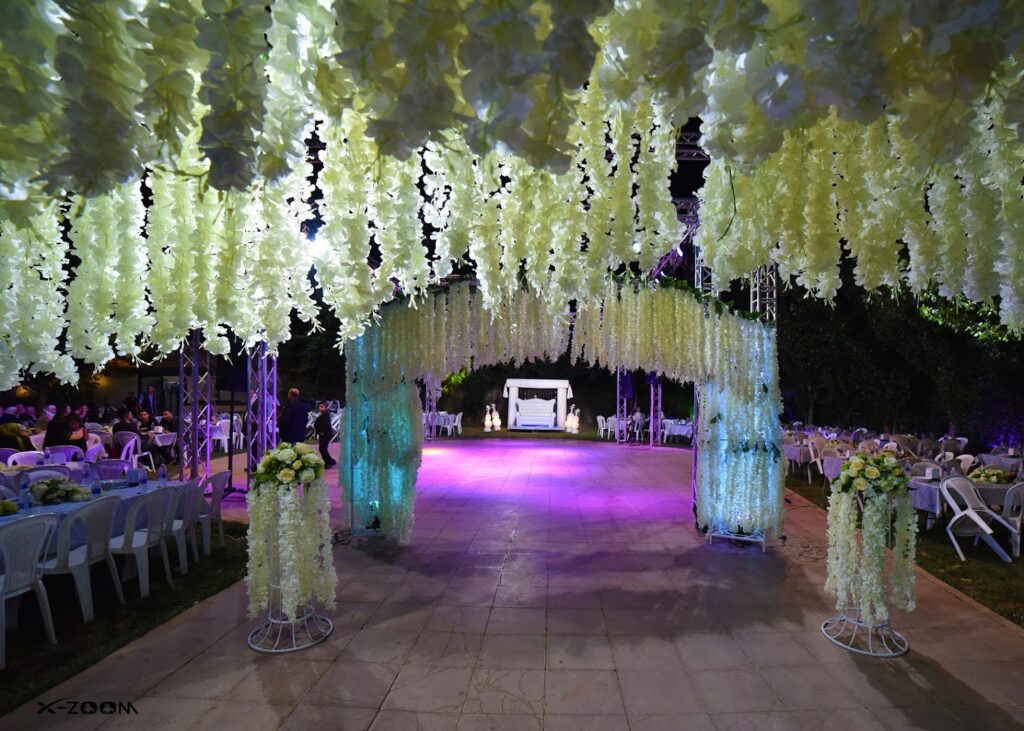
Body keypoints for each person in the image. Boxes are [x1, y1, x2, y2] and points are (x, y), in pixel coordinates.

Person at [313, 401, 337, 468]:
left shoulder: (325, 415)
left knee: (322, 449)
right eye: (319, 406)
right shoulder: (323, 414)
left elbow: (326, 424)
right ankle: (330, 461)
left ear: (326, 407)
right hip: (323, 434)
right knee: (322, 448)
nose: (320, 408)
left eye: (322, 407)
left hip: (325, 434)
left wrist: (321, 431)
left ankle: (328, 462)